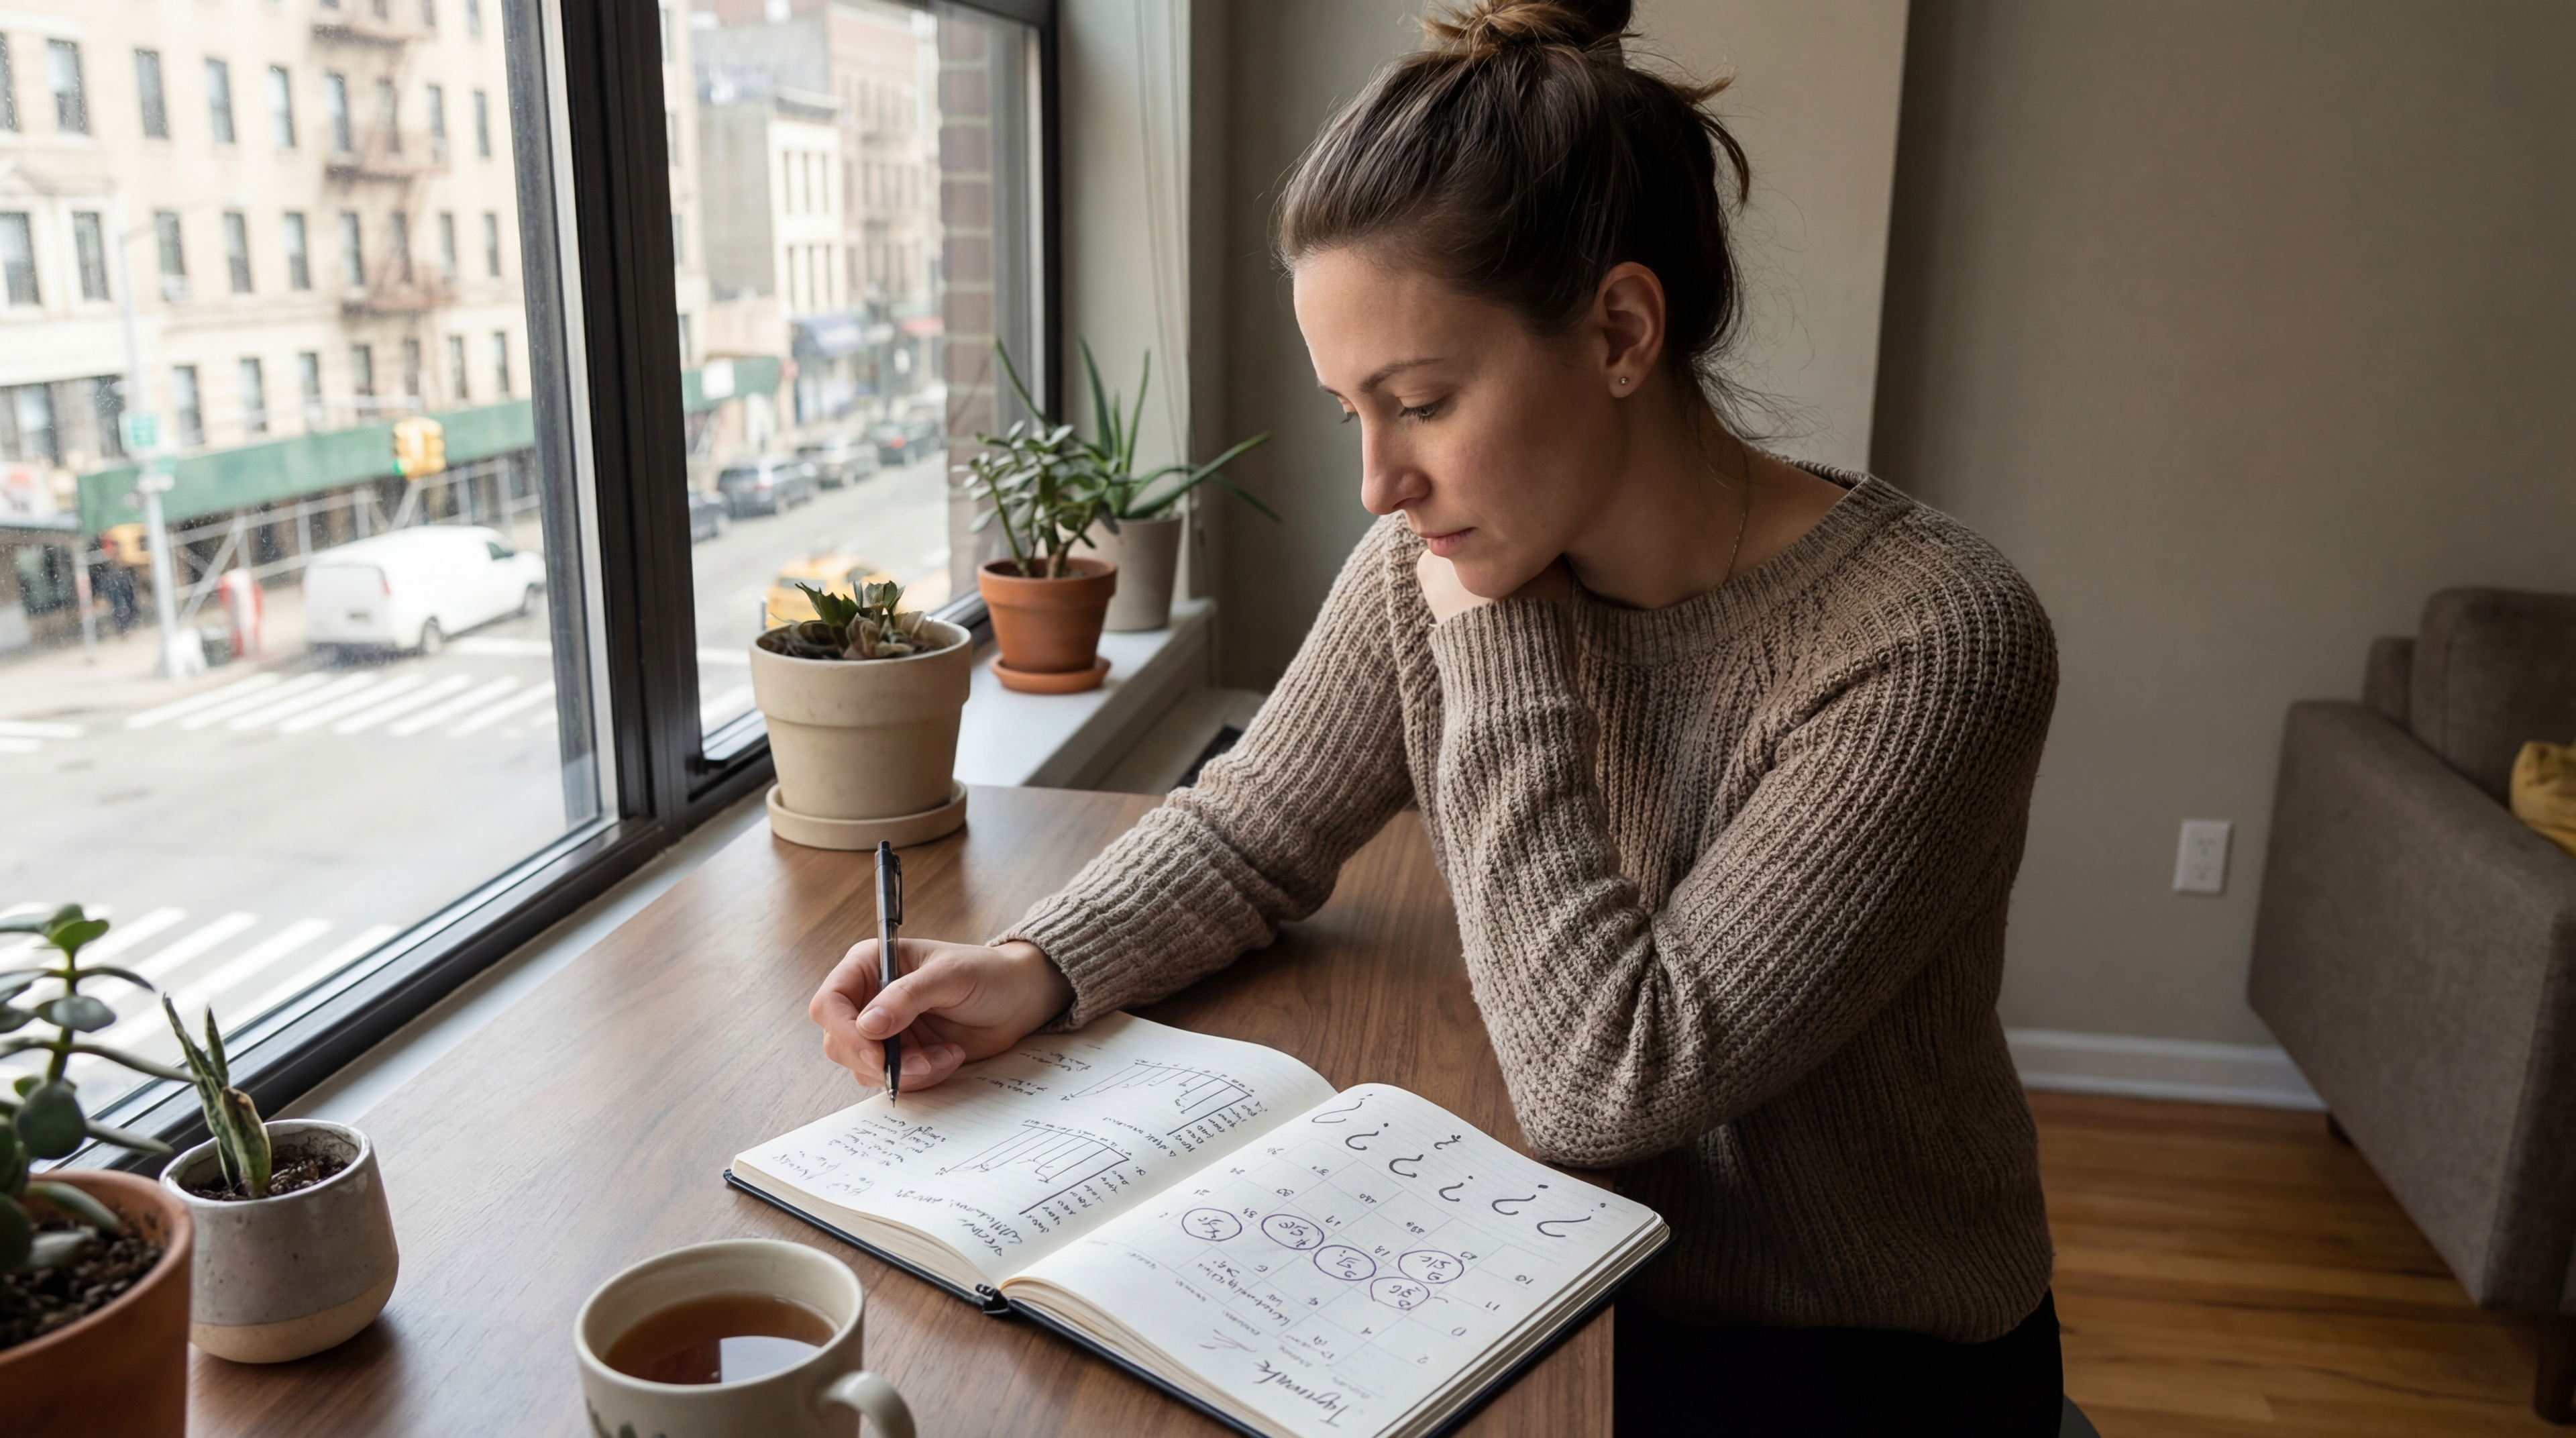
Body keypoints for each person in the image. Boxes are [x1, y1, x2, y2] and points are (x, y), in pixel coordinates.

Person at [807, 2, 2063, 1431]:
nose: (1378, 484)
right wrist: (1037, 966)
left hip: (1853, 1358)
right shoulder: (1451, 557)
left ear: (1620, 332)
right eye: (1351, 408)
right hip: (1556, 1270)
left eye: (1419, 401)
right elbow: (1256, 830)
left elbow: (1616, 1073)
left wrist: (1505, 635)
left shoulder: (1933, 642)